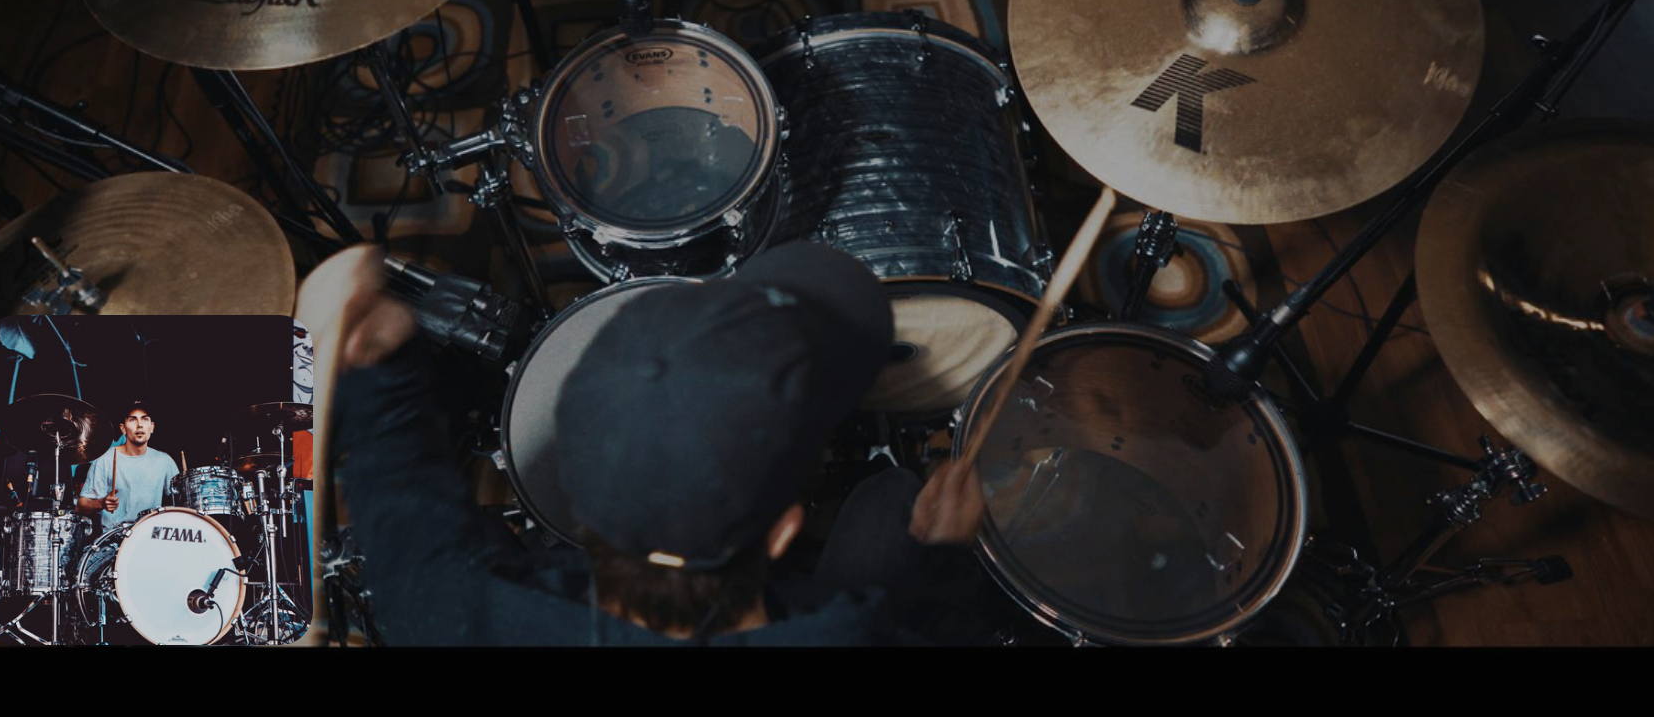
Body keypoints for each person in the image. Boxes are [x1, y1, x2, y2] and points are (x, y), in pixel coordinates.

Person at [301, 241, 987, 645]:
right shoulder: (852, 632)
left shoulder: (450, 611)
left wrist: (355, 355)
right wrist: (947, 563)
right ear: (782, 533)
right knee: (889, 500)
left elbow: (247, 588)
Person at [78, 404, 178, 530]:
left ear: (152, 427)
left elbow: (181, 500)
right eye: (132, 420)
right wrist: (102, 503)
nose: (139, 425)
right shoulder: (105, 460)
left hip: (150, 534)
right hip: (116, 536)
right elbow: (81, 506)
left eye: (145, 419)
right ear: (123, 428)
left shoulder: (164, 461)